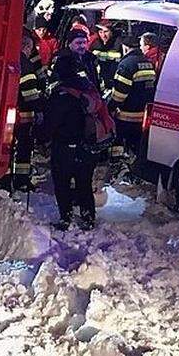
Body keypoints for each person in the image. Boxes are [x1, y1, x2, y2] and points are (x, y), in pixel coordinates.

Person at [40, 31, 114, 230]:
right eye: (78, 42)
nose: (82, 45)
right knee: (83, 180)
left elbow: (52, 122)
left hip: (66, 143)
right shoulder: (88, 89)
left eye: (84, 42)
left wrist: (40, 138)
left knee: (62, 181)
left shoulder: (62, 95)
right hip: (87, 142)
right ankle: (88, 217)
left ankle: (66, 218)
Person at [0, 29, 44, 192]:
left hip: (8, 113)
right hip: (23, 115)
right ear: (26, 46)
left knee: (6, 149)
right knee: (23, 149)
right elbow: (30, 93)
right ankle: (20, 181)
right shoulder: (25, 63)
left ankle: (3, 182)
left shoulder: (10, 58)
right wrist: (40, 110)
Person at [108, 35, 158, 158]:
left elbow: (120, 94)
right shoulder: (148, 63)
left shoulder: (126, 64)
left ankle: (116, 165)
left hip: (126, 116)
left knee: (118, 144)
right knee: (135, 147)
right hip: (142, 116)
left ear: (125, 48)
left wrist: (110, 108)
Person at [88, 20, 124, 89]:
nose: (103, 35)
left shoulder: (119, 42)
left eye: (106, 32)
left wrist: (100, 54)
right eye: (100, 32)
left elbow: (119, 55)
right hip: (102, 77)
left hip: (116, 76)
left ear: (111, 32)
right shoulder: (95, 43)